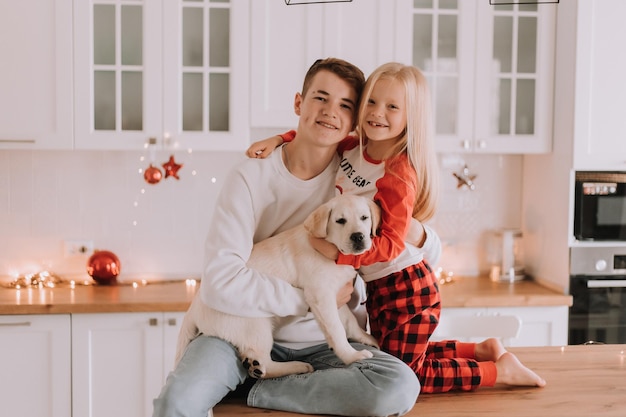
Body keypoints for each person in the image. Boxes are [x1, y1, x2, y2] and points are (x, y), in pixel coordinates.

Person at [248, 62, 546, 393]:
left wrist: (338, 254)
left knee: (409, 375)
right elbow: (316, 138)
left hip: (406, 284)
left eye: (392, 107)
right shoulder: (354, 147)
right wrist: (280, 138)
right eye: (372, 102)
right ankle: (478, 351)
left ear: (410, 117)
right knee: (393, 356)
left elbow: (389, 245)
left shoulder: (398, 175)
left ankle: (498, 373)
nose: (378, 113)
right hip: (379, 285)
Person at [152, 58, 420, 417]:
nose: (330, 112)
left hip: (321, 341)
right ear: (299, 103)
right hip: (235, 329)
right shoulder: (249, 176)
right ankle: (248, 371)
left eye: (345, 105)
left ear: (355, 119)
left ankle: (259, 388)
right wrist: (310, 298)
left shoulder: (359, 176)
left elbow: (404, 234)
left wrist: (424, 237)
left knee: (398, 387)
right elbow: (219, 283)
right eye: (320, 99)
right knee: (176, 402)